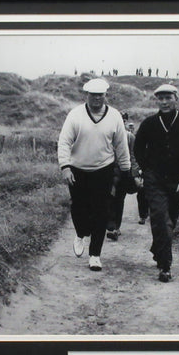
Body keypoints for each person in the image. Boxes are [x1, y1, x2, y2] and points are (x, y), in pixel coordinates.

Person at [58, 78, 131, 271]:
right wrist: (65, 166)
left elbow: (121, 145)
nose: (97, 98)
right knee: (79, 208)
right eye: (93, 95)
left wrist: (126, 170)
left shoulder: (114, 116)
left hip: (103, 170)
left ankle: (95, 255)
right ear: (87, 95)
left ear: (105, 95)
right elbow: (64, 142)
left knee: (101, 212)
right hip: (77, 170)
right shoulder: (75, 115)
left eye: (101, 95)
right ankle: (80, 233)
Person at [134, 84, 179, 282]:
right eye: (160, 98)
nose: (164, 102)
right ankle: (165, 266)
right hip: (154, 180)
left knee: (170, 219)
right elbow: (138, 147)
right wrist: (146, 170)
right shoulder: (149, 123)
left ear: (176, 98)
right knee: (160, 218)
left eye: (168, 97)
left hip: (178, 181)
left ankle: (158, 248)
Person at [106, 113, 141, 241]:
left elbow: (133, 156)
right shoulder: (106, 134)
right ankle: (109, 223)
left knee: (119, 199)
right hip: (107, 171)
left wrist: (135, 174)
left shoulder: (130, 137)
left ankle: (115, 228)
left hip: (123, 172)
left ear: (124, 121)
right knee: (107, 197)